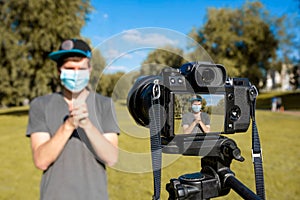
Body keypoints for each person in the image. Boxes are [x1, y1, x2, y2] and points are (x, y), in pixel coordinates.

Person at [26, 39, 119, 200]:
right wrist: (69, 125)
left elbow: (111, 158)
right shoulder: (40, 105)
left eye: (80, 69)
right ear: (59, 71)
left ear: (89, 69)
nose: (75, 74)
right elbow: (41, 161)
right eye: (69, 69)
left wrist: (87, 125)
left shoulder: (104, 105)